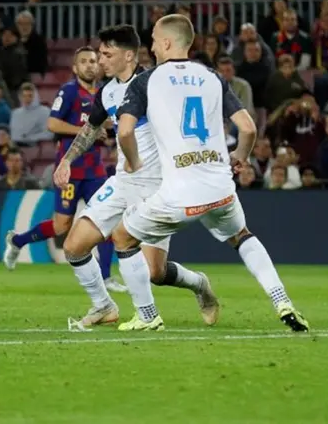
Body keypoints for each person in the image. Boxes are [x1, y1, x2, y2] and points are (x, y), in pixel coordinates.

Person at [112, 14, 308, 332]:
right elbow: (246, 127)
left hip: (177, 194)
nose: (150, 45)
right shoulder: (212, 76)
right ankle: (281, 300)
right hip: (220, 188)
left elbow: (124, 133)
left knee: (122, 237)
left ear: (166, 42)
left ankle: (147, 315)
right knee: (243, 237)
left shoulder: (145, 81)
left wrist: (133, 161)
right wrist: (240, 157)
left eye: (153, 39)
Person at [54, 25, 218, 328]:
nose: (100, 60)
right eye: (100, 54)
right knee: (74, 246)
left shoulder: (157, 84)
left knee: (155, 272)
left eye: (107, 54)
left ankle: (197, 285)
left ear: (128, 55)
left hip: (158, 187)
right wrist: (67, 160)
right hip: (123, 181)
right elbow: (91, 129)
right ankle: (104, 306)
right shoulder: (108, 91)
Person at [3, 47, 123, 293]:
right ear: (75, 68)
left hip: (95, 170)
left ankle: (107, 277)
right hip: (69, 169)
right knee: (60, 226)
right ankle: (17, 241)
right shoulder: (68, 92)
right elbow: (52, 123)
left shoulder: (105, 93)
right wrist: (87, 131)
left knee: (106, 218)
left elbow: (110, 124)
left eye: (93, 61)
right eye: (84, 62)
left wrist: (107, 129)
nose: (90, 65)